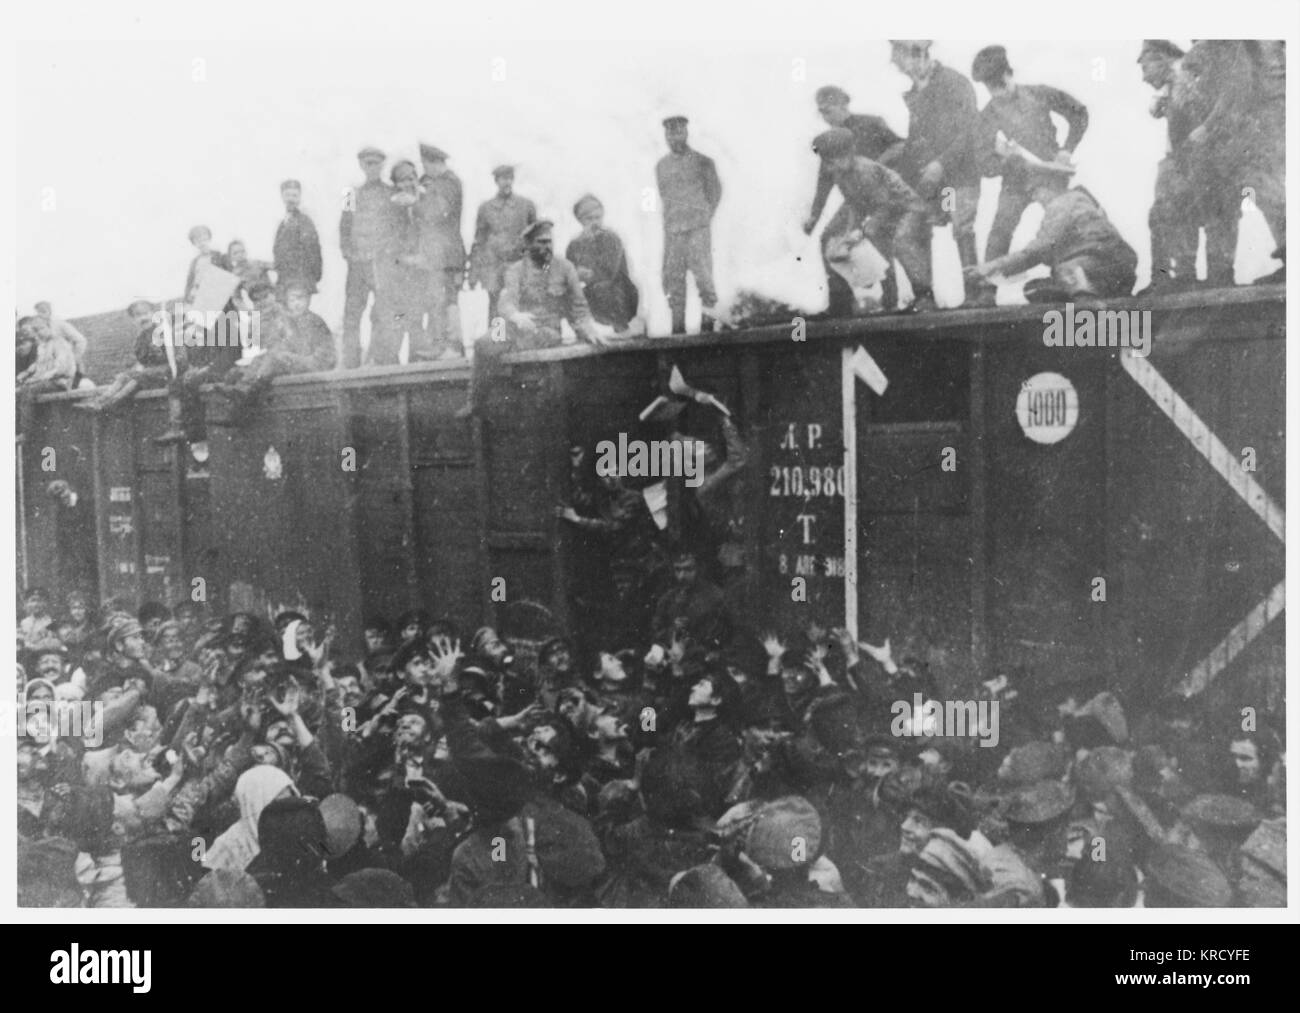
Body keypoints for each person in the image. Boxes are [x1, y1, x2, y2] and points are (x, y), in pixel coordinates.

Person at [459, 220, 612, 417]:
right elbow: (505, 303)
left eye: (549, 241)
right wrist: (516, 315)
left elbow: (579, 307)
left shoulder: (565, 268)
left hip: (546, 329)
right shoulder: (515, 270)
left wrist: (588, 328)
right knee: (483, 343)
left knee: (538, 345)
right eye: (540, 242)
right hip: (514, 325)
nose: (546, 246)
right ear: (528, 245)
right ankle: (475, 403)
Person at [971, 46, 1089, 281]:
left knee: (1065, 226)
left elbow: (1080, 113)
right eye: (990, 88)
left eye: (1000, 85)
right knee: (1000, 231)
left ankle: (1075, 277)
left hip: (1050, 176)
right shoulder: (988, 115)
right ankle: (986, 289)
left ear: (1009, 74)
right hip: (1015, 181)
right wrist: (1005, 162)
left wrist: (1066, 150)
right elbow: (984, 163)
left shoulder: (1039, 94)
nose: (997, 94)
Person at [1181, 40, 1286, 284]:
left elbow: (1236, 83)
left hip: (1258, 119)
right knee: (1232, 192)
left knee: (1260, 186)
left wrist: (1209, 127)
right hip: (1244, 122)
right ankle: (1220, 272)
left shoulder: (1229, 44)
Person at [888, 41, 985, 304]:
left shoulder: (954, 83)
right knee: (908, 234)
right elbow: (914, 144)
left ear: (918, 55)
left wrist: (941, 163)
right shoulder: (916, 93)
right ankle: (925, 299)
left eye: (900, 62)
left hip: (955, 181)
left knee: (960, 226)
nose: (898, 68)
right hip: (928, 185)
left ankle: (975, 295)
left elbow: (968, 131)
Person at [802, 85, 905, 316]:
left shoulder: (871, 123)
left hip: (882, 195)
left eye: (828, 111)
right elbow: (824, 182)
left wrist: (877, 165)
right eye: (821, 112)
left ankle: (891, 301)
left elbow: (900, 145)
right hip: (855, 200)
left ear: (842, 105)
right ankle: (840, 305)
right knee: (829, 237)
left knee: (879, 238)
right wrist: (814, 217)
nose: (825, 118)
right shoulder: (830, 142)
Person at [965, 166, 1137, 301]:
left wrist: (989, 268)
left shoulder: (1060, 204)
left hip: (1093, 265)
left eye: (1035, 191)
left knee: (1065, 272)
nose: (1034, 198)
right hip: (1118, 266)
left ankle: (1087, 307)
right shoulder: (1080, 199)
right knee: (1038, 287)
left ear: (1050, 185)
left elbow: (1037, 251)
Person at [812, 127, 937, 312]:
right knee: (865, 245)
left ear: (848, 154)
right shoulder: (841, 174)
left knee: (901, 242)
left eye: (833, 161)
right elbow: (855, 205)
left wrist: (863, 230)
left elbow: (885, 204)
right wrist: (850, 233)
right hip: (885, 211)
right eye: (827, 163)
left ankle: (924, 296)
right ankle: (887, 299)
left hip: (908, 209)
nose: (830, 168)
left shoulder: (865, 170)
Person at [214, 281, 336, 418]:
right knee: (262, 358)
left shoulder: (314, 320)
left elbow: (322, 354)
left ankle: (246, 392)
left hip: (317, 363)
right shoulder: (291, 320)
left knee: (275, 357)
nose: (296, 303)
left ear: (308, 299)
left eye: (300, 298)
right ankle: (242, 393)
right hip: (300, 361)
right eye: (292, 299)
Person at [656, 116, 722, 334]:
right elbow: (665, 195)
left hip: (697, 227)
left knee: (703, 275)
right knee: (673, 279)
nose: (674, 137)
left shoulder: (703, 161)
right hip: (673, 229)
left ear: (686, 132)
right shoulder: (662, 166)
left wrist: (702, 217)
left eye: (678, 131)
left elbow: (715, 193)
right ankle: (677, 329)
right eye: (670, 133)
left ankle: (707, 325)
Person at [340, 146, 394, 369]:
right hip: (358, 264)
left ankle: (379, 358)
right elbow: (344, 226)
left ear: (382, 166)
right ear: (361, 165)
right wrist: (348, 253)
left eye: (376, 164)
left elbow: (396, 226)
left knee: (383, 311)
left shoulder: (390, 193)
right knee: (352, 313)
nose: (372, 168)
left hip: (381, 263)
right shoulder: (350, 194)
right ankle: (351, 360)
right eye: (368, 164)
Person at [415, 143, 467, 360]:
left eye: (426, 166)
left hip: (447, 255)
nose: (425, 171)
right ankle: (440, 346)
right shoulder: (443, 182)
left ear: (434, 163)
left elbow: (438, 213)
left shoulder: (448, 183)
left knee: (448, 301)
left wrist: (415, 203)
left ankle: (453, 346)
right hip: (439, 255)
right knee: (438, 300)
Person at [469, 165, 537, 325]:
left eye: (509, 178)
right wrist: (474, 272)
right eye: (502, 179)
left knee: (520, 302)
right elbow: (479, 241)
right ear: (496, 181)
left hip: (518, 263)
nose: (506, 182)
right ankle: (498, 340)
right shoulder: (485, 208)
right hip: (493, 265)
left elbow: (535, 236)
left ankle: (520, 340)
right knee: (495, 305)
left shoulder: (526, 205)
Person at [566, 195, 639, 332]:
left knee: (603, 287)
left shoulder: (611, 238)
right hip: (591, 290)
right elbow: (569, 272)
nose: (595, 222)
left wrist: (584, 274)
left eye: (597, 217)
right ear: (580, 220)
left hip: (619, 291)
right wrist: (577, 275)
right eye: (589, 219)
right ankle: (582, 332)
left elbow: (608, 272)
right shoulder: (574, 245)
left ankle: (621, 328)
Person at [16, 314, 78, 437]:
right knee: (17, 391)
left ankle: (26, 432)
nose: (39, 333)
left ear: (49, 327)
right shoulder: (42, 346)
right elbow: (39, 366)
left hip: (60, 381)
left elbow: (61, 368)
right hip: (46, 381)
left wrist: (38, 378)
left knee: (28, 390)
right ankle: (15, 429)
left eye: (41, 329)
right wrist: (27, 374)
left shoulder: (59, 342)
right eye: (35, 330)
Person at [272, 180, 323, 300]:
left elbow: (313, 251)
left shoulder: (305, 221)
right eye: (287, 195)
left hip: (299, 280)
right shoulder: (283, 223)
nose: (291, 199)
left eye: (294, 195)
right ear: (282, 197)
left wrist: (312, 278)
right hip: (284, 280)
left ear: (299, 198)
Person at [34, 302, 89, 387]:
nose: (41, 315)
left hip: (67, 362)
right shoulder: (40, 328)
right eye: (38, 312)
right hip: (53, 365)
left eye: (43, 311)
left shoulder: (60, 324)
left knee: (72, 388)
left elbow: (81, 341)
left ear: (50, 311)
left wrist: (74, 357)